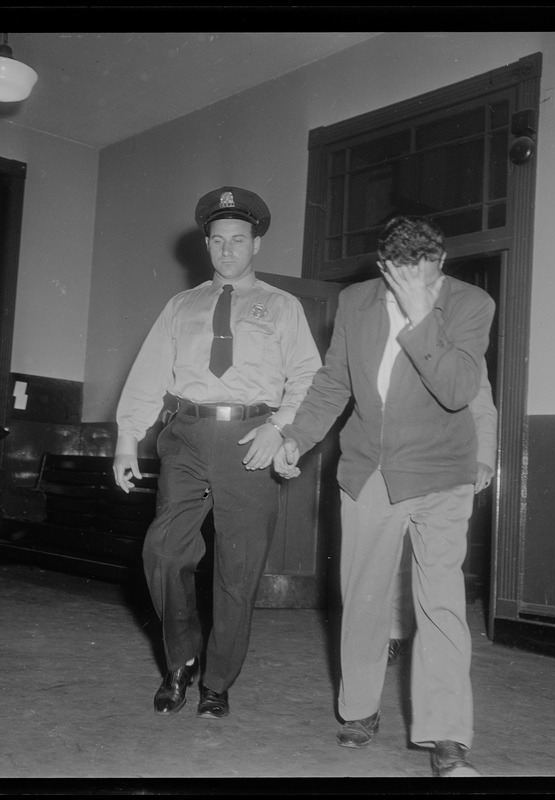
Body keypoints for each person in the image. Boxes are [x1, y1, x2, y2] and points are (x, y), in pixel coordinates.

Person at [275, 215, 494, 777]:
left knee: (441, 603)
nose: (414, 285)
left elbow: (458, 389)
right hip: (370, 469)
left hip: (443, 473)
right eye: (401, 276)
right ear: (384, 268)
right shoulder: (355, 302)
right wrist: (297, 437)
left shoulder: (471, 304)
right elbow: (334, 383)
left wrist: (422, 315)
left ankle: (446, 735)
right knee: (364, 595)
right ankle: (359, 708)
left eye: (426, 274)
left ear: (440, 264)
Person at [113, 186, 322, 720]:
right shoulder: (181, 306)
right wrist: (125, 439)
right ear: (207, 244)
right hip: (185, 433)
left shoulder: (282, 306)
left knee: (238, 567)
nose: (228, 249)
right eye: (218, 240)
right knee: (162, 551)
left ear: (256, 245)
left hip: (251, 437)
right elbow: (147, 376)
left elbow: (307, 378)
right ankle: (180, 658)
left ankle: (218, 681)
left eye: (239, 239)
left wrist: (281, 428)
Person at [388, 370, 497, 665]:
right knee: (393, 555)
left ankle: (435, 647)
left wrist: (485, 457)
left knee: (438, 563)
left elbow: (482, 402)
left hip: (447, 462)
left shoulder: (461, 332)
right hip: (396, 457)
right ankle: (393, 633)